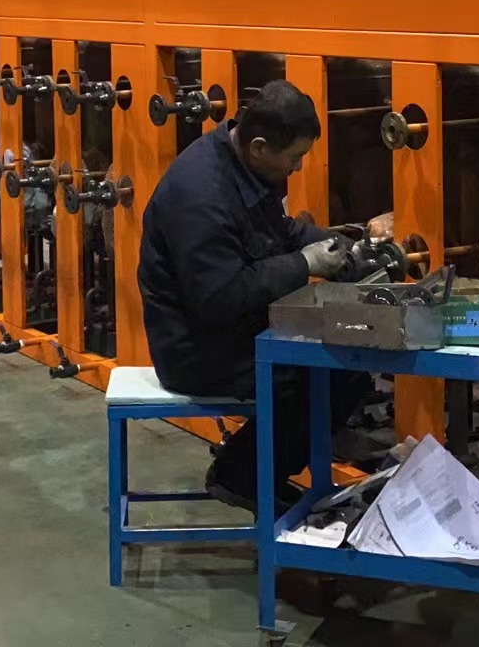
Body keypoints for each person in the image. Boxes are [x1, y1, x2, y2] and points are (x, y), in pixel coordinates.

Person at [137, 78, 370, 511]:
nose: (297, 168)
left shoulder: (243, 167)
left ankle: (261, 473)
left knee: (347, 363)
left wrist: (338, 247)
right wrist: (304, 265)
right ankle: (241, 477)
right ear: (260, 147)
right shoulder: (201, 195)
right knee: (331, 370)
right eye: (294, 158)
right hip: (197, 350)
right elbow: (219, 298)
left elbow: (279, 232)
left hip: (232, 333)